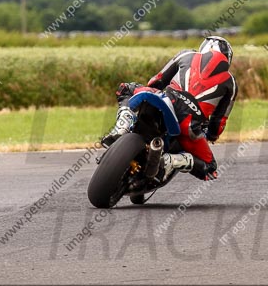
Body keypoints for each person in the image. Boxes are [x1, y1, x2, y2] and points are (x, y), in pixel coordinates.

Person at [101, 36, 238, 181]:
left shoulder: (186, 54)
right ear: (228, 59)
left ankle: (122, 126)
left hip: (167, 99)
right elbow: (219, 121)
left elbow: (156, 80)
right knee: (210, 168)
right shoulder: (231, 83)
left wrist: (154, 90)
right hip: (189, 125)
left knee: (126, 89)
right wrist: (211, 136)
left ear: (204, 47)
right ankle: (169, 161)